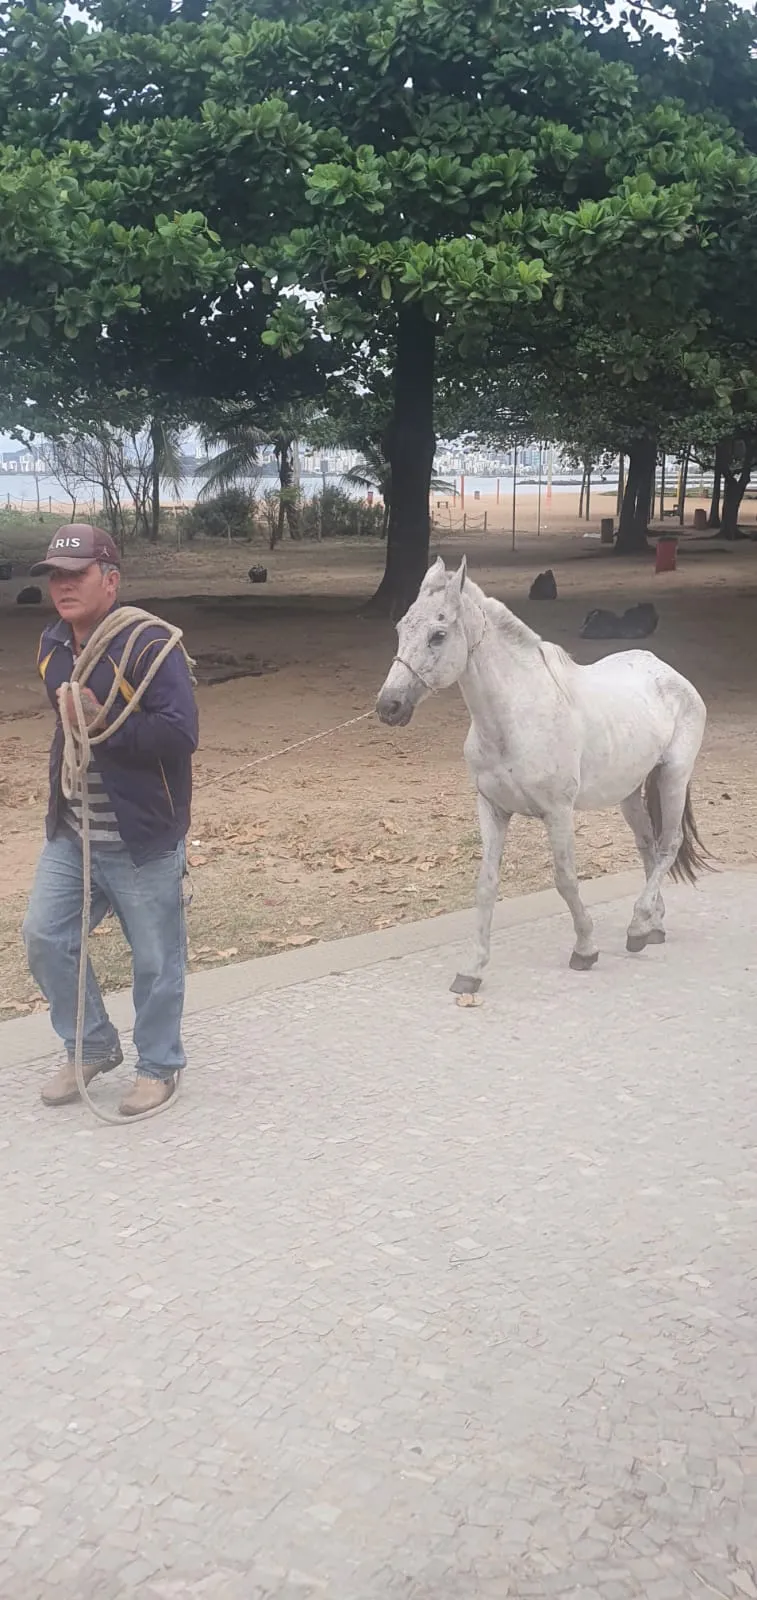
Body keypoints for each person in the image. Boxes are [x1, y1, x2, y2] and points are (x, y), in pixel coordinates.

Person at [22, 524, 199, 1116]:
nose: (64, 586)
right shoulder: (51, 646)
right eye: (56, 576)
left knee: (155, 957)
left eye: (77, 574)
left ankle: (159, 1066)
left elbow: (180, 735)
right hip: (74, 830)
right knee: (45, 936)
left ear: (111, 579)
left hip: (142, 836)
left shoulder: (149, 645)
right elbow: (70, 732)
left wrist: (106, 720)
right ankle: (90, 1045)